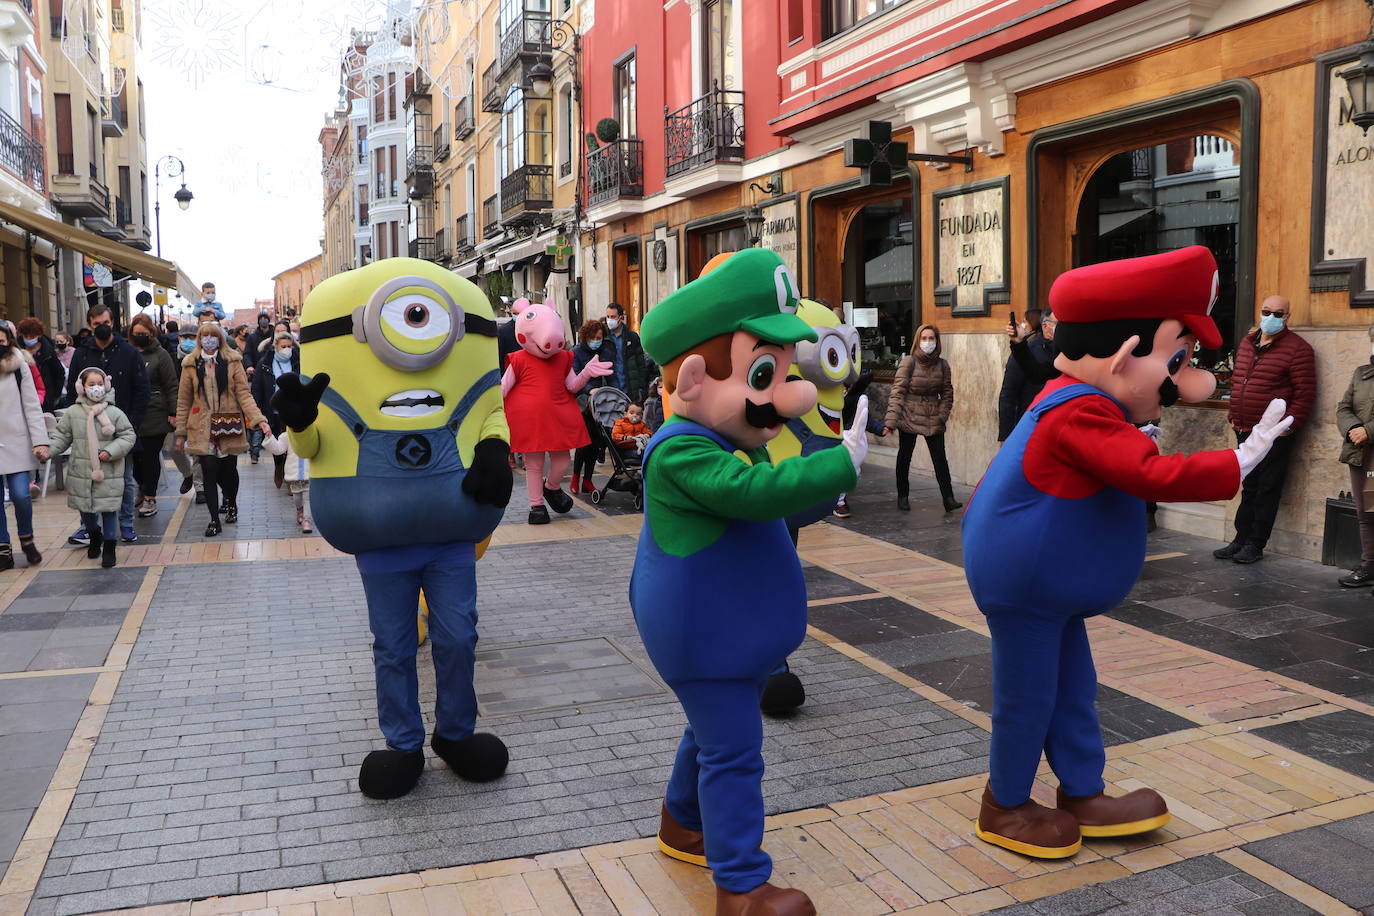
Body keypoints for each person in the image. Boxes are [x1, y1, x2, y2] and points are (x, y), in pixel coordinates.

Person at [962, 246, 1292, 859]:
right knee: (1029, 696)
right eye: (1177, 359)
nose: (1187, 378)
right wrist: (1240, 459)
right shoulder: (1078, 410)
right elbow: (1151, 475)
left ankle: (1084, 793)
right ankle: (1003, 805)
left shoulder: (1087, 402)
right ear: (1122, 357)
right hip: (1026, 586)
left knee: (1072, 687)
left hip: (1044, 586)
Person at [631, 249, 868, 916]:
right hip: (705, 640)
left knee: (710, 734)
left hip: (734, 643)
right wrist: (836, 468)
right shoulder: (682, 450)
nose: (790, 395)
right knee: (735, 752)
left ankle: (683, 824)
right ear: (698, 378)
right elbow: (752, 493)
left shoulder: (733, 436)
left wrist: (820, 468)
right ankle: (739, 884)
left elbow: (781, 501)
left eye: (787, 373)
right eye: (766, 374)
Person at [1214, 295, 1316, 564]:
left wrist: (1288, 427)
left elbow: (1305, 394)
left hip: (1273, 432)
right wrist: (1234, 414)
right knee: (1249, 485)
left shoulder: (1298, 349)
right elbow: (1239, 381)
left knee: (1267, 487)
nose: (1271, 317)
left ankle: (1255, 544)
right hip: (1245, 427)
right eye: (1266, 311)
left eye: (1278, 313)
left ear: (1287, 317)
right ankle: (1239, 539)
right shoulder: (1248, 342)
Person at [502, 301, 612, 524]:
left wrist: (586, 373)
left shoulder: (563, 358)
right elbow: (504, 387)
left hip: (557, 417)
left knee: (561, 462)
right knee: (534, 464)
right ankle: (537, 505)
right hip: (529, 420)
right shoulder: (519, 359)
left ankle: (551, 487)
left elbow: (572, 386)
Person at [174, 322, 271, 537]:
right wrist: (180, 432)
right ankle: (213, 520)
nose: (208, 339)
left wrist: (259, 419)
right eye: (205, 336)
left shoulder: (232, 361)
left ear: (219, 338)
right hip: (202, 426)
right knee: (208, 469)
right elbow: (183, 400)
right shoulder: (190, 364)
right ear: (200, 339)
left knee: (228, 471)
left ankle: (231, 502)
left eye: (213, 335)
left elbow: (244, 394)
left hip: (229, 423)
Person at [65, 305, 150, 545]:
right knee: (88, 480)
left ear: (113, 322)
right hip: (89, 430)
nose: (101, 326)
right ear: (90, 325)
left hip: (122, 428)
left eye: (105, 321)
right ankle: (88, 527)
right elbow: (74, 390)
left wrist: (130, 425)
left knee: (124, 479)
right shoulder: (81, 354)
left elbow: (142, 390)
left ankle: (126, 525)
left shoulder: (129, 352)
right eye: (96, 323)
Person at [49, 368, 135, 569]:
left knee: (108, 510)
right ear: (82, 387)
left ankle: (110, 547)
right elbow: (62, 436)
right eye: (91, 384)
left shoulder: (115, 413)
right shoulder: (73, 413)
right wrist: (49, 451)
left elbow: (128, 435)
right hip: (82, 470)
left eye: (99, 383)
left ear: (106, 386)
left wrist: (111, 451)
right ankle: (95, 534)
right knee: (86, 510)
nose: (95, 388)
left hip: (109, 471)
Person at [883, 324, 960, 512]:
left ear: (937, 341)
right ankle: (903, 496)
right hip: (909, 415)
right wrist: (891, 421)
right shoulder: (909, 362)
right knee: (905, 457)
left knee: (940, 459)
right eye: (924, 338)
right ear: (918, 341)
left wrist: (942, 415)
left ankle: (948, 498)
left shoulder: (943, 365)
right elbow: (897, 392)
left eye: (931, 338)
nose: (927, 342)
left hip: (933, 416)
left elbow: (947, 393)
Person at [0, 323, 52, 569]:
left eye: (1, 341)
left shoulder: (20, 365)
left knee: (21, 494)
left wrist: (40, 440)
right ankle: (2, 549)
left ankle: (27, 539)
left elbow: (32, 405)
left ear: (9, 341)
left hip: (18, 441)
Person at [1334, 323, 1374, 587]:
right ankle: (1369, 566)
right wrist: (1354, 428)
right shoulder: (1361, 374)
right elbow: (1343, 407)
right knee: (1367, 512)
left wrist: (1369, 430)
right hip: (1363, 455)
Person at [127, 314, 178, 518]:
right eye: (137, 333)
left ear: (151, 333)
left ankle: (150, 497)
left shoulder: (161, 355)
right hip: (130, 414)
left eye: (144, 333)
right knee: (135, 459)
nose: (140, 336)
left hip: (155, 412)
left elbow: (171, 385)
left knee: (149, 457)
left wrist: (173, 412)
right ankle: (142, 486)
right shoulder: (128, 353)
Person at [570, 319, 617, 493]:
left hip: (601, 404)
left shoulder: (605, 351)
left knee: (596, 442)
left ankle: (587, 480)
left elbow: (612, 374)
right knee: (584, 443)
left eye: (600, 337)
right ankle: (575, 478)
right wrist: (590, 390)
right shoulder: (576, 353)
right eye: (594, 337)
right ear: (586, 336)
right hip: (583, 403)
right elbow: (574, 378)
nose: (597, 340)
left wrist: (616, 393)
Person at [998, 309, 1058, 441]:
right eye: (1058, 323)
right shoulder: (1029, 348)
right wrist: (1006, 436)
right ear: (1045, 325)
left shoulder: (1066, 353)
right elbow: (1008, 394)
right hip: (1030, 426)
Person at [252, 331, 299, 489]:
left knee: (292, 444)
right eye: (283, 346)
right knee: (277, 442)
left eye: (289, 346)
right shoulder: (265, 363)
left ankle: (289, 478)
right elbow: (257, 387)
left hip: (292, 410)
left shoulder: (297, 362)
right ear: (276, 347)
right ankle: (278, 467)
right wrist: (256, 409)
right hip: (272, 410)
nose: (287, 349)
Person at [17, 318, 64, 414]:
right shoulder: (17, 350)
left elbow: (59, 373)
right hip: (23, 396)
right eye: (26, 336)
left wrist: (54, 395)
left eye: (32, 336)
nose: (29, 339)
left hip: (45, 398)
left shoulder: (48, 352)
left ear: (39, 335)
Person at [604, 303, 649, 401]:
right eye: (608, 316)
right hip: (610, 391)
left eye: (613, 317)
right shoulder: (603, 337)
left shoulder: (632, 337)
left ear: (620, 318)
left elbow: (641, 365)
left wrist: (641, 389)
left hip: (630, 390)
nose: (609, 320)